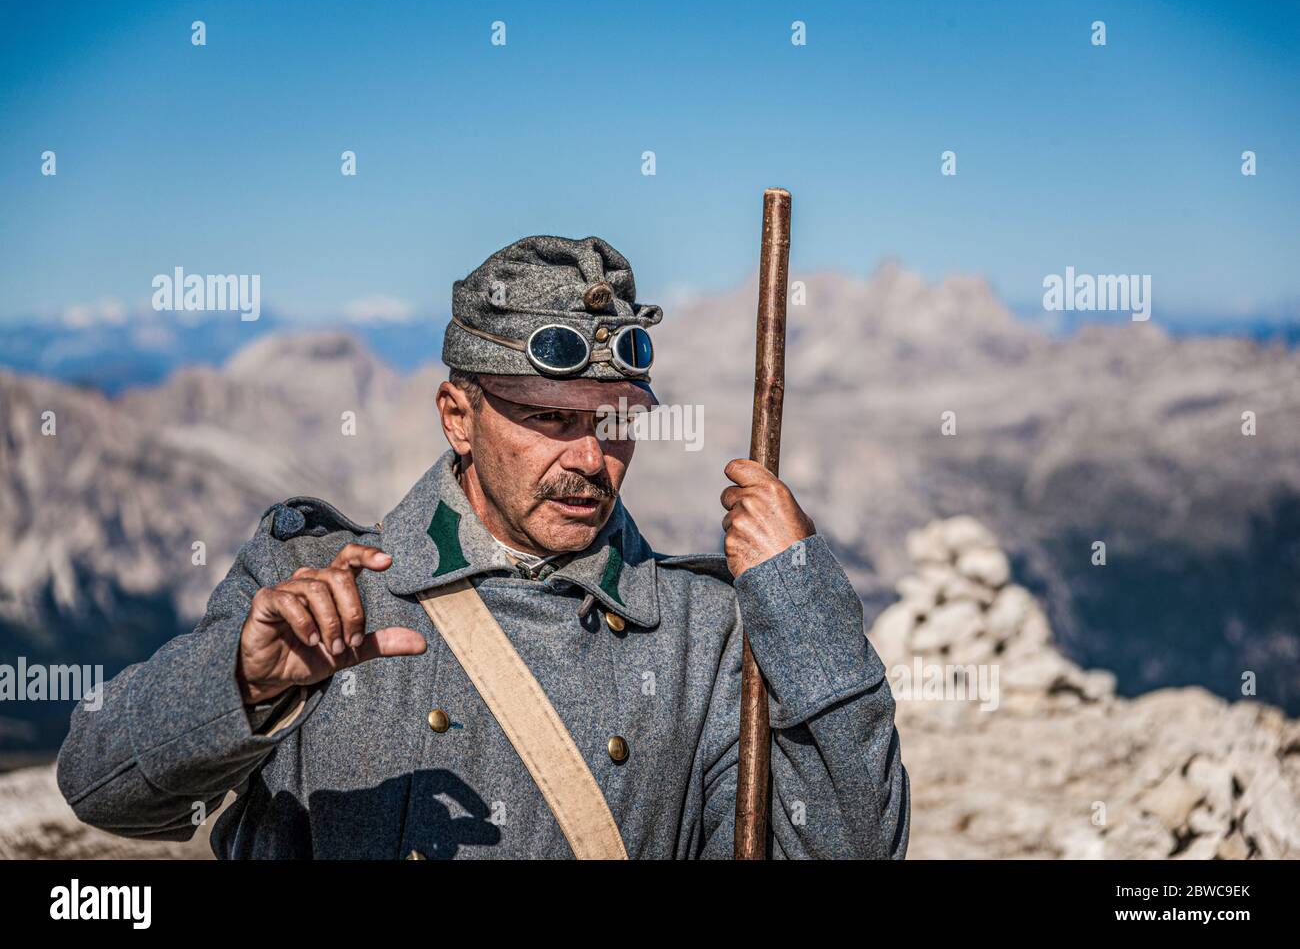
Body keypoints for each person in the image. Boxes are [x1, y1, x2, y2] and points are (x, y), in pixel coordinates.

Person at [57, 235, 909, 859]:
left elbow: (851, 850)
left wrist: (804, 606)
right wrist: (242, 686)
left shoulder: (705, 633)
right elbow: (101, 789)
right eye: (548, 419)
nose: (589, 459)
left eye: (614, 423)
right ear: (457, 416)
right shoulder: (311, 583)